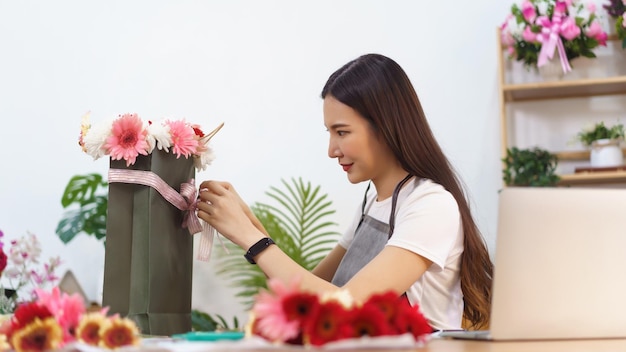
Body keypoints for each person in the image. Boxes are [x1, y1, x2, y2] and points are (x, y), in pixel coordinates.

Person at [197, 53, 493, 330]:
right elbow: (307, 291)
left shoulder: (430, 205)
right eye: (330, 133)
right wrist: (248, 226)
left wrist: (253, 239)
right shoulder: (373, 201)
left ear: (386, 126)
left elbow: (349, 304)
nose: (331, 150)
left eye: (342, 132)